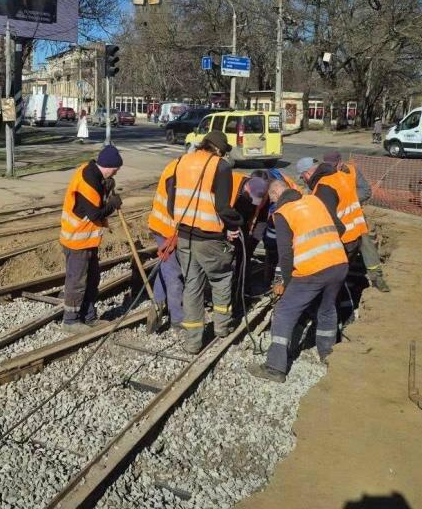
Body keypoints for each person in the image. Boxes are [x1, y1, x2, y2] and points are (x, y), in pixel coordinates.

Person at [248, 180, 348, 383]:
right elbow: (339, 226)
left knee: (284, 311)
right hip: (339, 263)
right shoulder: (314, 200)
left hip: (312, 270)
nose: (273, 202)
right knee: (327, 309)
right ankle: (327, 353)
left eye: (273, 198)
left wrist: (286, 283)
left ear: (276, 193)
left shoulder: (282, 213)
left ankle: (275, 367)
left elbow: (285, 254)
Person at [169, 130, 243, 353]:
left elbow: (171, 200)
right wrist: (233, 225)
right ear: (218, 149)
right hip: (209, 237)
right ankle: (222, 327)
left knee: (192, 285)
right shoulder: (220, 167)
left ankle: (193, 342)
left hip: (184, 235)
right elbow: (222, 207)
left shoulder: (181, 161)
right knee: (221, 277)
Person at [296, 155, 388, 292]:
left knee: (333, 277)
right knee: (343, 270)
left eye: (303, 178)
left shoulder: (324, 187)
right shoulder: (340, 177)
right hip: (356, 230)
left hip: (345, 237)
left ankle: (339, 300)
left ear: (308, 173)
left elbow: (329, 220)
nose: (304, 182)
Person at [58, 145, 123, 332]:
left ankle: (88, 315)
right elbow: (95, 214)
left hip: (88, 240)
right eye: (117, 168)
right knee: (77, 280)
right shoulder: (87, 181)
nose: (117, 172)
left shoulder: (95, 174)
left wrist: (106, 188)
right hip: (77, 240)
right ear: (109, 166)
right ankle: (70, 320)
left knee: (92, 279)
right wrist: (111, 205)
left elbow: (96, 200)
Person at [147, 157, 184, 330]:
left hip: (163, 226)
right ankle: (177, 319)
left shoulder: (177, 165)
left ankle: (158, 304)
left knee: (165, 267)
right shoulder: (176, 173)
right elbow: (173, 207)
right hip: (167, 229)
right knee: (173, 273)